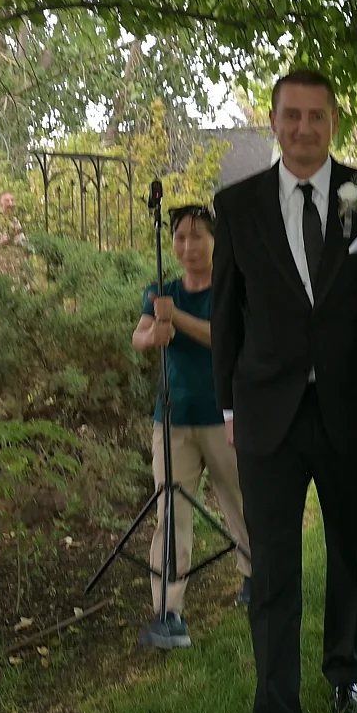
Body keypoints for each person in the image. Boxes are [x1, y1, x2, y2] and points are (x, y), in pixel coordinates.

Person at [211, 70, 357, 713]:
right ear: (274, 121)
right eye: (291, 115)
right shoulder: (237, 206)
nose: (303, 128)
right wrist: (230, 409)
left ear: (334, 122)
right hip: (269, 416)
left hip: (353, 409)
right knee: (273, 574)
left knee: (353, 550)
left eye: (316, 115)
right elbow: (227, 312)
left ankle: (345, 670)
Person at [131, 204, 253, 649]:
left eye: (198, 235)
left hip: (227, 417)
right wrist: (153, 334)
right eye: (180, 237)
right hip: (173, 421)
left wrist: (176, 318)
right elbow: (139, 336)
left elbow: (227, 338)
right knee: (170, 513)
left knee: (241, 502)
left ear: (217, 241)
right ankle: (169, 613)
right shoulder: (160, 292)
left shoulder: (232, 288)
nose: (188, 246)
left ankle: (255, 576)